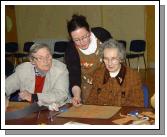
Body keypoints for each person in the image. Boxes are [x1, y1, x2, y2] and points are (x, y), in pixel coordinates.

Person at [5, 43, 70, 111]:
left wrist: (34, 97)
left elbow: (61, 94)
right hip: (29, 110)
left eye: (48, 56)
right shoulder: (23, 69)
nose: (46, 61)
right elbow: (7, 86)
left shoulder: (60, 69)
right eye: (40, 58)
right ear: (32, 61)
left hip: (55, 109)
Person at [65, 14, 112, 106]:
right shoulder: (71, 50)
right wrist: (77, 96)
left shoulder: (102, 35)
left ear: (89, 31)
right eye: (77, 40)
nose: (82, 42)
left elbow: (116, 57)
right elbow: (75, 77)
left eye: (84, 37)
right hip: (87, 90)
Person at [85, 38, 144, 107]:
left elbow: (137, 104)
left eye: (113, 59)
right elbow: (90, 102)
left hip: (122, 116)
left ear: (120, 58)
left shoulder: (133, 76)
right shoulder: (98, 74)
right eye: (106, 59)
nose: (109, 63)